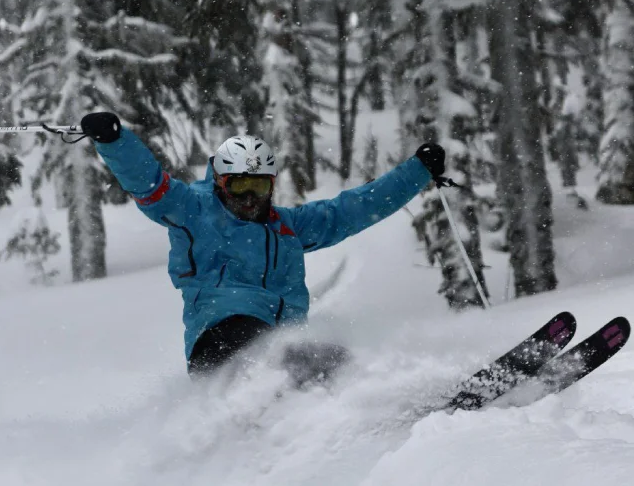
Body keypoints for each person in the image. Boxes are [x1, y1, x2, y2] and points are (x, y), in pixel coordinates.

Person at [81, 112, 445, 375]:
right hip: (221, 337)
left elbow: (352, 209)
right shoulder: (191, 210)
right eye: (240, 186)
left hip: (279, 343)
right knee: (294, 356)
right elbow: (150, 184)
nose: (250, 198)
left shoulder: (285, 227)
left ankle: (366, 410)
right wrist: (115, 141)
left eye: (260, 187)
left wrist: (417, 171)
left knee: (333, 363)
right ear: (221, 182)